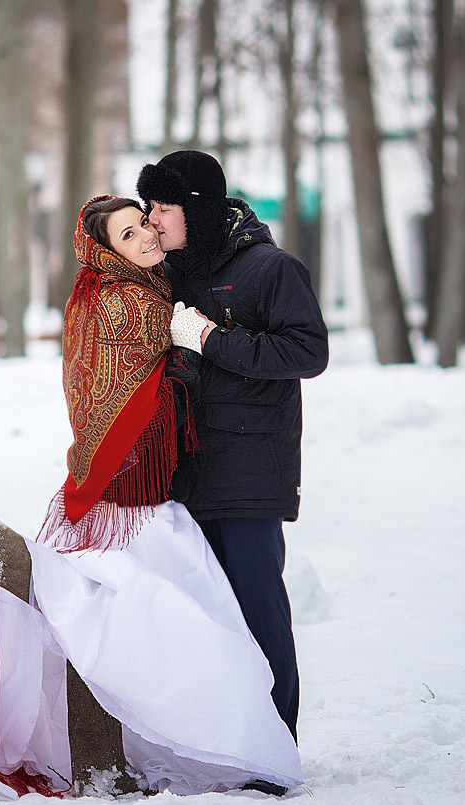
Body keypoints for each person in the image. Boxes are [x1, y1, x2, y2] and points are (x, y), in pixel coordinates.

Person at [0, 195, 302, 798]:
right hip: (129, 489)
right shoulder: (128, 301)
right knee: (142, 621)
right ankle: (165, 746)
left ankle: (153, 745)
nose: (144, 237)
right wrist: (186, 367)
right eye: (128, 233)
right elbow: (121, 392)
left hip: (133, 486)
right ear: (107, 251)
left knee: (138, 617)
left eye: (144, 224)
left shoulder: (124, 287)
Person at [136, 150, 329, 744]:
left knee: (258, 613)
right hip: (188, 477)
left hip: (249, 475)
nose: (152, 220)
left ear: (195, 208)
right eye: (148, 207)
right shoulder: (171, 272)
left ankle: (276, 747)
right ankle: (221, 743)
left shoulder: (269, 269)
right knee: (206, 617)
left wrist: (212, 339)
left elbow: (307, 352)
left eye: (163, 207)